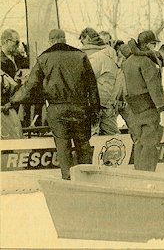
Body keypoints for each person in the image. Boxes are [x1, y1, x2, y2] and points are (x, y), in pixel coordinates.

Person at [5, 29, 100, 179]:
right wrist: (95, 110)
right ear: (64, 39)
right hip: (80, 108)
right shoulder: (81, 56)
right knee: (83, 146)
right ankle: (87, 181)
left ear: (50, 41)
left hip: (57, 110)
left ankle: (67, 180)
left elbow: (30, 87)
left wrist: (11, 102)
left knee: (63, 148)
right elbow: (92, 86)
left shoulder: (44, 58)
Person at [122, 30, 164, 171]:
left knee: (139, 142)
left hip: (134, 108)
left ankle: (139, 174)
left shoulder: (128, 61)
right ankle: (148, 176)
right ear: (147, 44)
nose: (155, 47)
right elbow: (153, 86)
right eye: (153, 44)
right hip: (148, 107)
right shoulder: (146, 62)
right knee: (150, 143)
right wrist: (161, 107)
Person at [79, 27, 120, 135]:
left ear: (87, 38)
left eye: (82, 42)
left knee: (92, 135)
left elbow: (85, 77)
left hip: (97, 102)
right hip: (108, 100)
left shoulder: (97, 57)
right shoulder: (108, 54)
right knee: (112, 134)